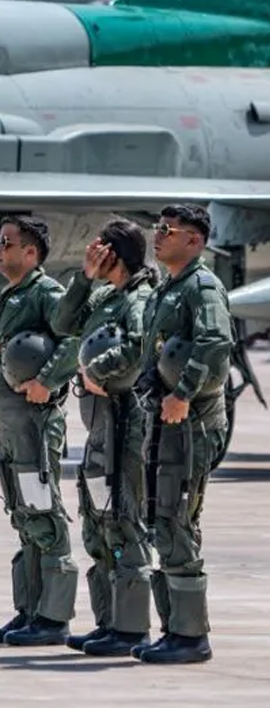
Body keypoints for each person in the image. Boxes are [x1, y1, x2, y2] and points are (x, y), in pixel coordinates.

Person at [128, 204, 231, 665]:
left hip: (192, 425)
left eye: (168, 230)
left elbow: (215, 342)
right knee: (161, 520)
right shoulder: (166, 290)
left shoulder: (202, 287)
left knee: (178, 523)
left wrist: (184, 393)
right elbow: (154, 354)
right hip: (165, 422)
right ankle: (172, 630)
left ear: (195, 240)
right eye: (158, 228)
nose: (158, 236)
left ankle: (190, 636)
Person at [51, 219, 157, 657]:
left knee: (124, 522)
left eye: (99, 249)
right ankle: (109, 622)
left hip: (123, 423)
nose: (91, 253)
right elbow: (63, 322)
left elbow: (139, 347)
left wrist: (96, 371)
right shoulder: (105, 295)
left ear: (115, 253)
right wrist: (85, 277)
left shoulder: (139, 299)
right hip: (99, 427)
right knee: (99, 523)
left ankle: (130, 629)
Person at [0, 215, 81, 646]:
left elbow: (74, 340)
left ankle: (53, 618)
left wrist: (47, 380)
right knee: (24, 516)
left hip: (36, 425)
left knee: (43, 514)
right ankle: (29, 610)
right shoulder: (11, 295)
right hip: (12, 424)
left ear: (30, 252)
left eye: (6, 243)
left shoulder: (46, 293)